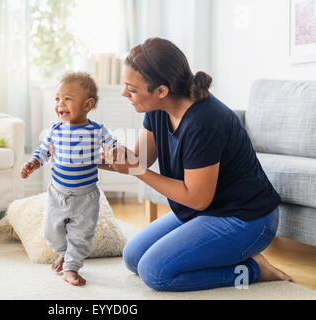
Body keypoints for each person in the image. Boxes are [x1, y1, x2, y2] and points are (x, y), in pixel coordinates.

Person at [105, 37, 292, 291]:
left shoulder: (205, 121)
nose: (124, 93)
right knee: (133, 257)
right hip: (204, 213)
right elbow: (141, 159)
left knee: (155, 273)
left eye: (132, 88)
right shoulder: (156, 108)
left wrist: (136, 170)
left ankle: (253, 269)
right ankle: (226, 255)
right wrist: (88, 155)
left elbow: (196, 198)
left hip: (246, 219)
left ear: (161, 90)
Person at [21, 72, 116, 286]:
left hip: (86, 197)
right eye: (57, 99)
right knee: (51, 231)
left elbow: (113, 145)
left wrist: (113, 151)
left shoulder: (97, 130)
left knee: (81, 234)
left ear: (87, 104)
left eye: (67, 99)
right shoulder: (54, 130)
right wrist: (33, 163)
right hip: (58, 193)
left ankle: (71, 266)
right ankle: (64, 254)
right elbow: (43, 152)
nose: (60, 104)